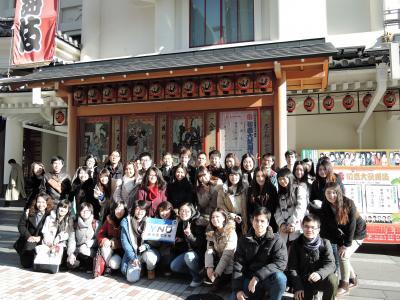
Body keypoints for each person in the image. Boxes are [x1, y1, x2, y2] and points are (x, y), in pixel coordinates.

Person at [320, 182, 366, 296]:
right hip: (342, 235)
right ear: (325, 194)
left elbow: (352, 225)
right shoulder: (325, 206)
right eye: (328, 192)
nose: (331, 195)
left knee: (343, 256)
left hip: (357, 233)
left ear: (339, 192)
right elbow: (327, 227)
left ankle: (344, 285)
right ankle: (353, 279)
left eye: (334, 192)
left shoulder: (348, 203)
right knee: (343, 254)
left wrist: (346, 244)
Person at [230, 206, 287, 300]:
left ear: (268, 223)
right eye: (256, 220)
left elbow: (280, 263)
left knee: (280, 278)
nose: (258, 224)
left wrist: (257, 276)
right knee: (235, 297)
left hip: (268, 279)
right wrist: (238, 290)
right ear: (252, 221)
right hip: (249, 279)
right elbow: (238, 265)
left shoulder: (277, 240)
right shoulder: (244, 240)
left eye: (262, 221)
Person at [288, 214, 337, 300]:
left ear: (318, 230)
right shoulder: (296, 244)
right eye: (306, 226)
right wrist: (298, 287)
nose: (309, 230)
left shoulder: (325, 243)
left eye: (312, 227)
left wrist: (320, 274)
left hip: (319, 278)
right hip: (303, 281)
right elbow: (292, 268)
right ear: (302, 227)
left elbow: (331, 264)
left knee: (332, 279)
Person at [120, 200, 160, 282]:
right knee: (131, 279)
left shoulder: (150, 222)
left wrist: (146, 245)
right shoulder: (126, 222)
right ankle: (141, 268)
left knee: (151, 258)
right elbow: (125, 243)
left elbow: (157, 242)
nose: (140, 212)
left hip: (146, 252)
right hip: (134, 254)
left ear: (146, 211)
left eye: (142, 209)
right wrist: (133, 257)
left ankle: (150, 270)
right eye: (137, 209)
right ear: (134, 210)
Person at [170, 202, 207, 288]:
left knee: (189, 256)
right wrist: (181, 240)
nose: (183, 213)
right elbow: (185, 241)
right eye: (181, 211)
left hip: (199, 253)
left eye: (187, 211)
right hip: (188, 252)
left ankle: (198, 278)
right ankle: (197, 273)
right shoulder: (181, 222)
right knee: (174, 266)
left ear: (192, 211)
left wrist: (190, 235)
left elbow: (200, 244)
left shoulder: (198, 222)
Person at [15, 193, 54, 268]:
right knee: (25, 264)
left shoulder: (51, 214)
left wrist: (40, 238)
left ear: (47, 203)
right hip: (30, 239)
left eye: (43, 202)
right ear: (35, 202)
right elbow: (21, 225)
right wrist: (28, 236)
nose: (40, 204)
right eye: (38, 202)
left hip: (43, 240)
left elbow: (52, 230)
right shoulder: (29, 212)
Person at [205, 208, 237, 291]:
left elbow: (227, 255)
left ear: (224, 218)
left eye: (217, 216)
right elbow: (209, 250)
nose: (215, 219)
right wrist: (209, 267)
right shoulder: (211, 232)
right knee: (205, 272)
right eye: (212, 217)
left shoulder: (231, 232)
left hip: (230, 263)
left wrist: (216, 273)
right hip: (218, 261)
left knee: (225, 282)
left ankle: (224, 282)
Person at [275, 168, 308, 246]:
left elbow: (301, 208)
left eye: (284, 178)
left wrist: (292, 223)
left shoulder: (299, 189)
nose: (282, 181)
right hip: (283, 232)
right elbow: (277, 211)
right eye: (279, 179)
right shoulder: (280, 193)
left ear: (289, 177)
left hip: (297, 228)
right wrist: (281, 224)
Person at [41, 199, 73, 272]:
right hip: (48, 242)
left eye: (65, 208)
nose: (62, 209)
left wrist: (59, 237)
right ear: (58, 207)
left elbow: (68, 233)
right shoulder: (49, 218)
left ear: (68, 210)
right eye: (61, 207)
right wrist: (48, 241)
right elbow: (44, 231)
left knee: (62, 249)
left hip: (61, 243)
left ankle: (58, 264)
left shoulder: (69, 220)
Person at [97, 200, 128, 275]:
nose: (119, 211)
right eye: (117, 209)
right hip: (109, 249)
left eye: (122, 209)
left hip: (122, 252)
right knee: (105, 246)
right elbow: (101, 234)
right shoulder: (109, 220)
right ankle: (108, 267)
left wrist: (114, 243)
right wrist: (104, 240)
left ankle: (113, 266)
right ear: (114, 209)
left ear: (125, 211)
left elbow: (127, 240)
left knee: (114, 264)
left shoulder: (127, 221)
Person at [67, 202, 100, 272]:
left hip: (91, 250)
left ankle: (90, 265)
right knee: (70, 263)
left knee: (83, 249)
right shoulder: (76, 223)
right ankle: (82, 265)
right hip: (78, 250)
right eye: (82, 210)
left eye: (87, 211)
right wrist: (71, 253)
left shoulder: (95, 223)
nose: (85, 213)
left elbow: (98, 240)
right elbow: (72, 240)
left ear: (91, 212)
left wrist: (89, 243)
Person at [217, 166, 249, 235]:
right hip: (229, 218)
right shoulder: (223, 189)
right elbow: (220, 205)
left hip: (245, 218)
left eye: (236, 175)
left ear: (240, 176)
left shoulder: (245, 188)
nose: (234, 177)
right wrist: (231, 215)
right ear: (228, 176)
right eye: (231, 175)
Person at [247, 166, 279, 232]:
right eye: (258, 176)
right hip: (255, 222)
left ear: (266, 177)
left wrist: (265, 220)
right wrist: (252, 220)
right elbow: (249, 207)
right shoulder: (251, 189)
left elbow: (274, 207)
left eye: (262, 176)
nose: (260, 178)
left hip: (269, 222)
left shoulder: (272, 189)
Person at [155, 201, 177, 276]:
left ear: (171, 210)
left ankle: (167, 267)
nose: (164, 213)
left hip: (172, 247)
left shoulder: (176, 220)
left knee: (167, 255)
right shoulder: (155, 221)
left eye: (167, 210)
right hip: (157, 245)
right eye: (161, 210)